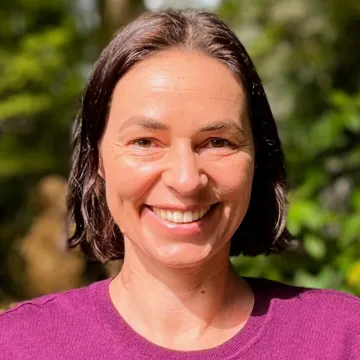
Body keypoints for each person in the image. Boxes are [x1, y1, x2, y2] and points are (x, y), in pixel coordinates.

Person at [0, 9, 359, 360]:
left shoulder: (345, 337)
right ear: (97, 161)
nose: (186, 180)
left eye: (218, 142)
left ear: (258, 160)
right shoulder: (17, 345)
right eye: (145, 142)